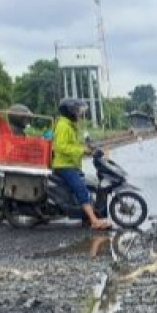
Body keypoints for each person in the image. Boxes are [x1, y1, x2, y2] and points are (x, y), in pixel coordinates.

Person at [52, 98, 112, 230]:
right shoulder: (63, 126)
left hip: (71, 165)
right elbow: (60, 147)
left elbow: (72, 145)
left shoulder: (70, 125)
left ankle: (85, 216)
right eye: (77, 111)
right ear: (69, 112)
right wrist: (81, 150)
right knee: (82, 190)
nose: (79, 114)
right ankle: (94, 221)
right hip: (64, 166)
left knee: (89, 184)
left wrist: (89, 149)